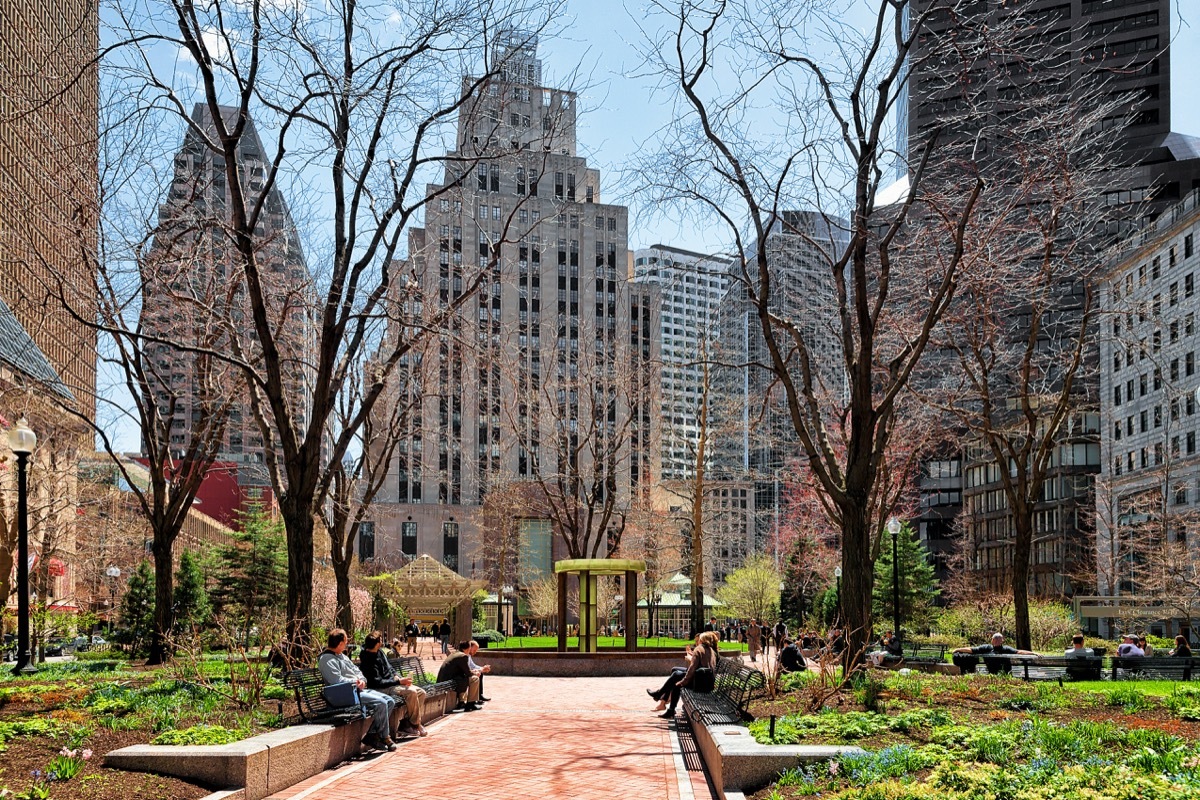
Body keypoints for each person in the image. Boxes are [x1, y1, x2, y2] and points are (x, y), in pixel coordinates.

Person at [317, 628, 397, 752]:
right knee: (381, 703)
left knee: (389, 700)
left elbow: (357, 671)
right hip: (344, 695)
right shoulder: (327, 659)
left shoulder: (342, 656)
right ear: (340, 644)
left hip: (357, 690)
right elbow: (336, 680)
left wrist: (361, 680)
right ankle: (385, 737)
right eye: (346, 641)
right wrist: (355, 682)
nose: (347, 643)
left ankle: (372, 734)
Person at [358, 630, 428, 738]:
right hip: (382, 688)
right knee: (411, 692)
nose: (382, 642)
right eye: (380, 641)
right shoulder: (368, 660)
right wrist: (399, 682)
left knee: (421, 692)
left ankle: (407, 723)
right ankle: (416, 724)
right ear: (376, 643)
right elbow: (377, 682)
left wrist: (396, 676)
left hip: (393, 683)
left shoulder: (379, 652)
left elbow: (389, 667)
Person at [647, 631, 720, 718]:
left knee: (677, 676)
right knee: (676, 675)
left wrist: (683, 682)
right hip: (706, 682)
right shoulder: (710, 650)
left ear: (701, 640)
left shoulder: (699, 649)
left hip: (698, 683)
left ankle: (660, 696)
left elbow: (692, 668)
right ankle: (666, 704)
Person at [436, 641, 481, 711]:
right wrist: (475, 673)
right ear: (468, 648)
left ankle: (462, 702)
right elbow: (468, 673)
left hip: (446, 679)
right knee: (475, 679)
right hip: (449, 680)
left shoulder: (455, 653)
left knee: (463, 679)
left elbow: (464, 670)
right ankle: (470, 703)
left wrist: (473, 671)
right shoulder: (463, 656)